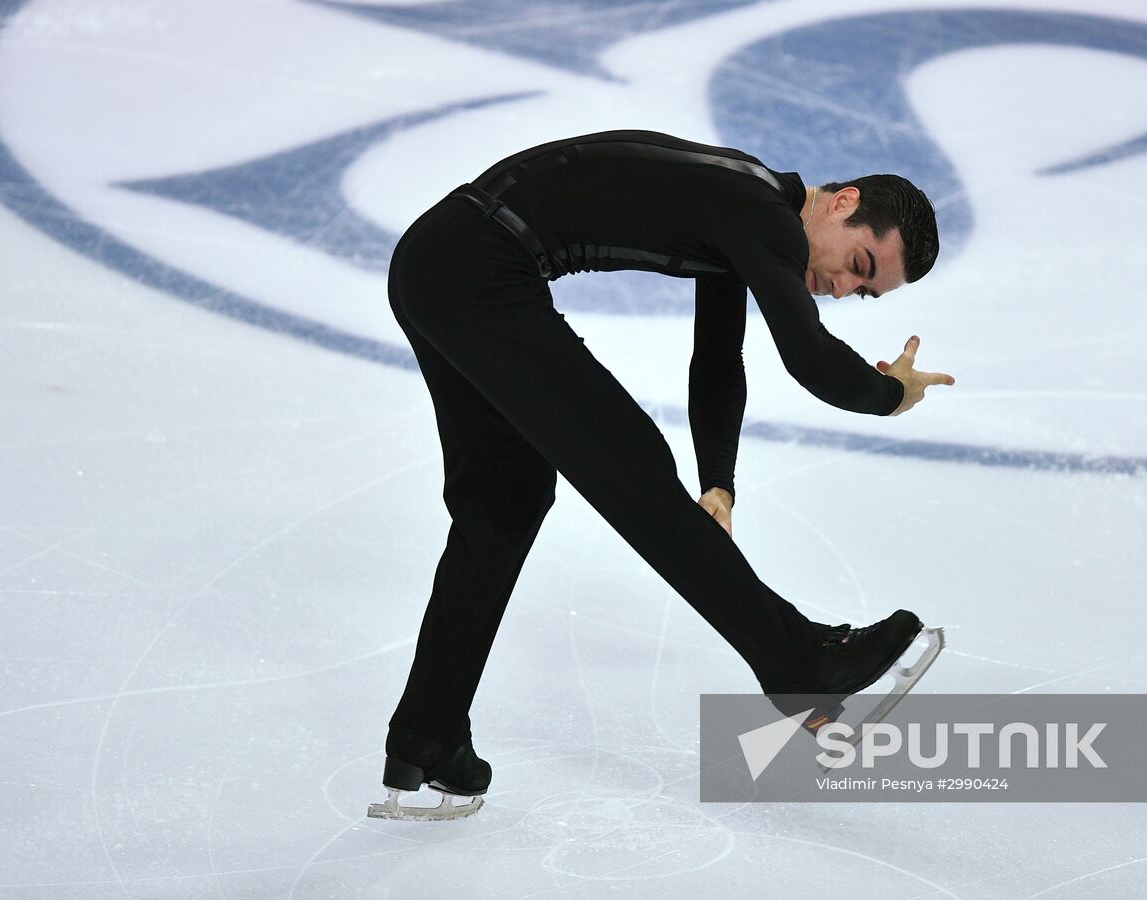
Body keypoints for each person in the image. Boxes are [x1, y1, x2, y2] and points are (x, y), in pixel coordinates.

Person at [374, 130, 954, 819]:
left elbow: (717, 358)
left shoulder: (751, 204)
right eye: (859, 264)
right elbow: (808, 356)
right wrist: (891, 394)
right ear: (843, 203)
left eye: (862, 291)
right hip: (476, 265)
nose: (842, 287)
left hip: (441, 260)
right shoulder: (759, 212)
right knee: (632, 464)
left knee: (506, 499)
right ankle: (800, 662)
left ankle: (428, 735)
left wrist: (719, 482)